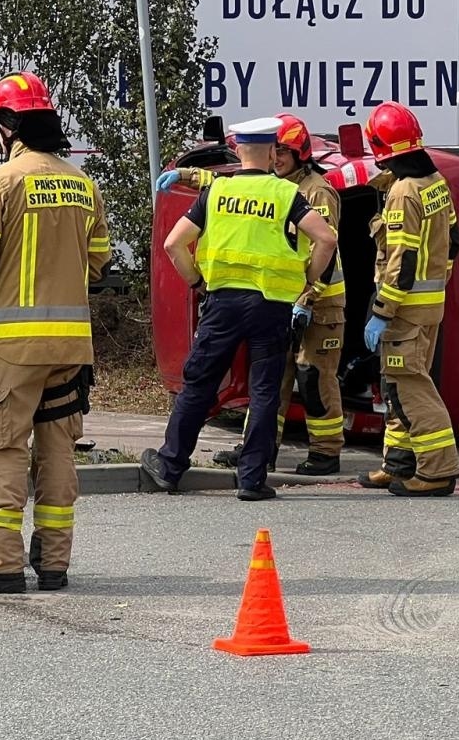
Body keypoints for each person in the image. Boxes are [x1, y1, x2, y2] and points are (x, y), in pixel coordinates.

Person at [0, 71, 110, 595]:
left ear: (10, 125)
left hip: (14, 346)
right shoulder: (84, 185)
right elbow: (100, 269)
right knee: (57, 448)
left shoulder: (1, 181)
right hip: (72, 345)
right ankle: (54, 563)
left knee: (3, 448)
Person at [138, 117, 338, 500]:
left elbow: (173, 245)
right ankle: (251, 479)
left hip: (223, 304)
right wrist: (306, 280)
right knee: (265, 391)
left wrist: (197, 281)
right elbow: (326, 238)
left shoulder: (217, 192)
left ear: (238, 151)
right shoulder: (284, 195)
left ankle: (170, 465)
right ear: (270, 151)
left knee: (199, 383)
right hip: (272, 306)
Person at [359, 102, 459, 496]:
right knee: (397, 385)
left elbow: (402, 261)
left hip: (403, 310)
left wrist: (382, 311)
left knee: (410, 387)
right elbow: (453, 242)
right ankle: (398, 464)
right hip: (427, 306)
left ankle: (437, 471)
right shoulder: (434, 181)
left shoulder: (403, 192)